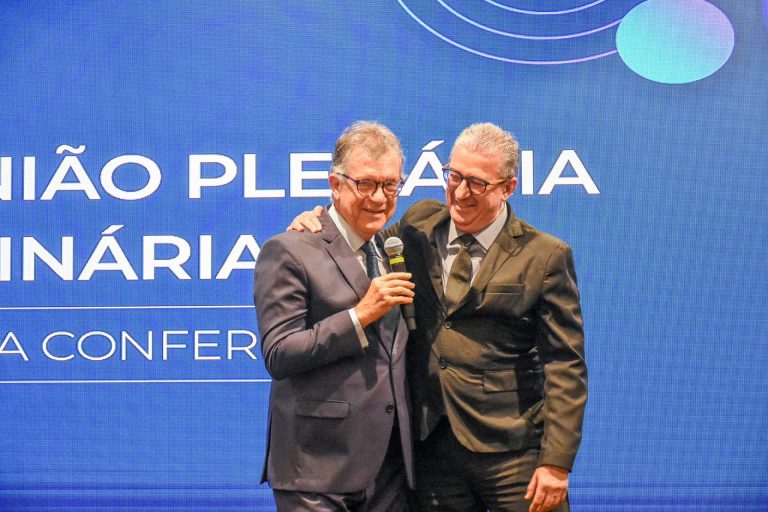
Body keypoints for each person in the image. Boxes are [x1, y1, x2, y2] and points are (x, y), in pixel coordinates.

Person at [290, 123, 587, 512]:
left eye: (477, 183)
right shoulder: (417, 225)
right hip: (431, 452)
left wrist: (556, 462)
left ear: (508, 188)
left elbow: (565, 365)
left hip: (514, 453)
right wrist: (317, 222)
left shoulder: (544, 256)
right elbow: (357, 240)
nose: (460, 193)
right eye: (454, 176)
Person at [254, 121, 416, 511]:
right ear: (335, 184)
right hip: (317, 468)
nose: (379, 197)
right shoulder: (290, 250)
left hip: (391, 468)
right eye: (366, 184)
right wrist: (359, 316)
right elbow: (279, 352)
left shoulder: (393, 247)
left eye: (390, 185)